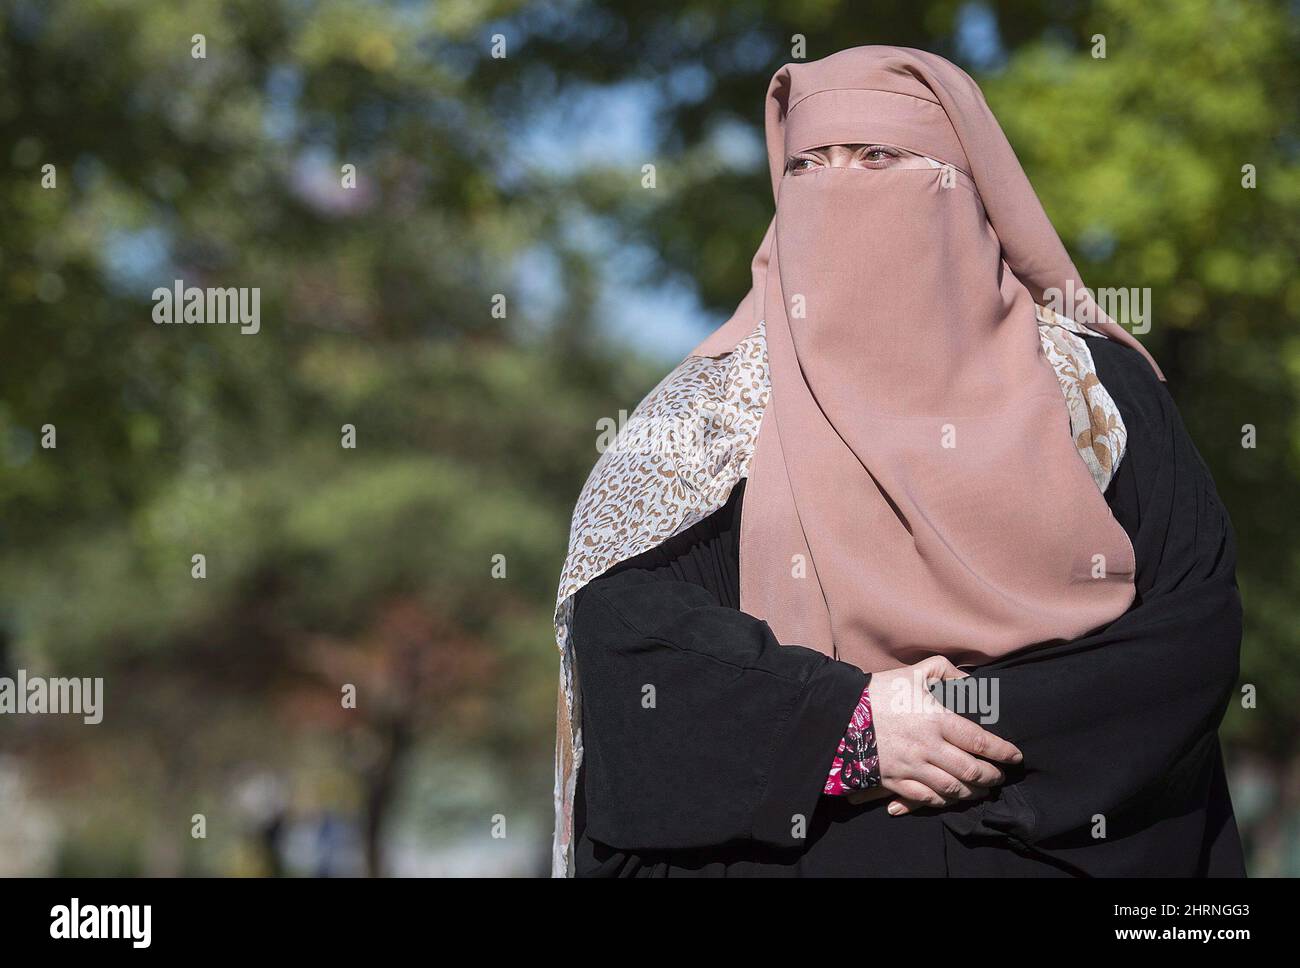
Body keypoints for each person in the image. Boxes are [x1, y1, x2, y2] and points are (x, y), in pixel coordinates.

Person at [551, 46, 1243, 877]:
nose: (839, 184)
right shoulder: (707, 412)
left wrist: (951, 728)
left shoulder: (1096, 390)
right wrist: (852, 727)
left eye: (878, 157)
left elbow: (1189, 635)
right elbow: (628, 636)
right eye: (808, 164)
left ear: (964, 182)